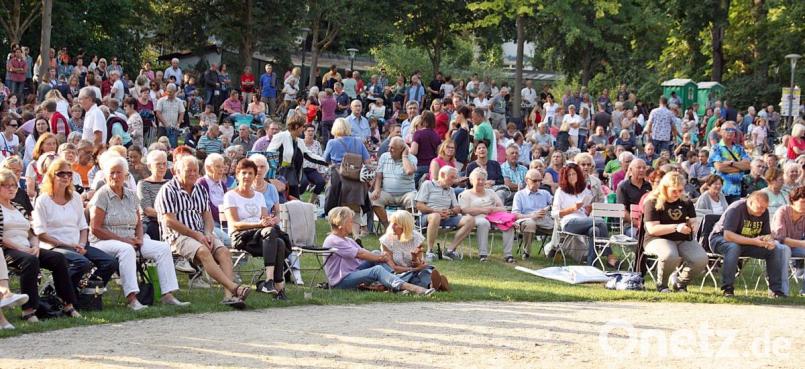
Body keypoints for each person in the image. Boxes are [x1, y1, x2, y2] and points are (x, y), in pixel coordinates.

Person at [89, 155, 188, 310]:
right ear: (106, 175)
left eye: (119, 172)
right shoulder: (101, 195)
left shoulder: (131, 195)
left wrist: (140, 238)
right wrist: (123, 240)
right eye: (111, 173)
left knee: (162, 248)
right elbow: (96, 228)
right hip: (104, 241)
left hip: (132, 238)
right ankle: (132, 299)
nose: (115, 176)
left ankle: (167, 295)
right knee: (127, 250)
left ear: (126, 175)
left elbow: (139, 223)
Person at [155, 156, 251, 308]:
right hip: (178, 237)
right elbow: (169, 221)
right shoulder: (167, 190)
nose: (193, 174)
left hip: (201, 234)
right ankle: (234, 288)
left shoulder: (199, 189)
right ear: (176, 171)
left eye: (195, 170)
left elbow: (207, 216)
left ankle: (229, 297)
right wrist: (196, 235)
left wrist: (207, 233)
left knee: (224, 253)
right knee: (203, 251)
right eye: (189, 171)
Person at [0, 168, 80, 322]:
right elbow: (1, 237)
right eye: (6, 185)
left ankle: (68, 305)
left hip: (28, 247)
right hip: (7, 251)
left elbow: (32, 233)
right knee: (30, 261)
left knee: (58, 258)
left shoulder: (19, 208)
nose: (11, 188)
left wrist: (35, 246)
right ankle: (29, 310)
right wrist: (22, 248)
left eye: (13, 185)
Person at [33, 158, 117, 290]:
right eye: (61, 173)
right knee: (81, 263)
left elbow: (83, 227)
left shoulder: (75, 197)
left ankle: (87, 290)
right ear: (51, 176)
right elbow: (40, 234)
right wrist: (67, 245)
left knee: (110, 262)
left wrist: (82, 245)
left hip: (77, 245)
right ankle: (61, 293)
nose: (66, 177)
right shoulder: (42, 200)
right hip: (54, 247)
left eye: (69, 174)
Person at [323, 206, 435, 295]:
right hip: (341, 281)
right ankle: (414, 288)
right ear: (341, 224)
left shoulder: (347, 240)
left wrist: (379, 256)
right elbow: (361, 254)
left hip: (352, 272)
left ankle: (399, 281)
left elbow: (365, 252)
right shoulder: (334, 240)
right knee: (376, 269)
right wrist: (382, 257)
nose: (352, 224)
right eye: (350, 222)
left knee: (376, 253)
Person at [223, 159, 289, 299]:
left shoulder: (259, 196)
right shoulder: (230, 195)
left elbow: (264, 219)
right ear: (237, 175)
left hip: (261, 237)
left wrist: (268, 220)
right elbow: (235, 223)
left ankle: (271, 283)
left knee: (279, 242)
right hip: (241, 236)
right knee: (272, 234)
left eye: (250, 173)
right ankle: (275, 284)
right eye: (244, 173)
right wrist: (260, 225)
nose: (247, 176)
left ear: (254, 176)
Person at [709, 191, 786, 297]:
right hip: (720, 239)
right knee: (733, 247)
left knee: (774, 249)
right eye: (760, 207)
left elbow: (766, 234)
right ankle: (728, 288)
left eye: (765, 208)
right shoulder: (737, 208)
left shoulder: (764, 212)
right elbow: (728, 235)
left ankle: (776, 290)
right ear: (750, 203)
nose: (763, 211)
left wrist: (769, 241)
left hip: (747, 242)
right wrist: (754, 241)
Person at [642, 172, 707, 292]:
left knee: (701, 259)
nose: (678, 194)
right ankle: (662, 285)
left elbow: (693, 220)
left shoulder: (686, 202)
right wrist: (676, 227)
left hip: (682, 239)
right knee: (670, 254)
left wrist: (694, 225)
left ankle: (681, 283)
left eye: (680, 190)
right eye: (674, 191)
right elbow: (652, 229)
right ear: (665, 188)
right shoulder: (652, 202)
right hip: (656, 239)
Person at [553, 163, 614, 267]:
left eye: (574, 174)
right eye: (569, 175)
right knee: (600, 221)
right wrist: (572, 208)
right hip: (569, 223)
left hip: (584, 221)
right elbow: (554, 213)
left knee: (595, 230)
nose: (572, 177)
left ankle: (591, 264)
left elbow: (586, 211)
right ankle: (609, 255)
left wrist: (589, 209)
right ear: (565, 177)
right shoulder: (560, 192)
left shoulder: (584, 190)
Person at [416, 166, 475, 261]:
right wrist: (436, 211)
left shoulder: (451, 190)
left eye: (455, 178)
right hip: (427, 217)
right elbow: (419, 205)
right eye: (452, 177)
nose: (454, 180)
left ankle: (450, 250)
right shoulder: (428, 184)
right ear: (442, 175)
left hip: (446, 217)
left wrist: (450, 211)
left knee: (470, 220)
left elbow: (457, 208)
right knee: (436, 216)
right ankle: (430, 252)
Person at [379, 210, 448, 290]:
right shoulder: (386, 241)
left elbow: (419, 264)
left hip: (414, 270)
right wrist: (414, 269)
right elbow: (393, 268)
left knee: (424, 271)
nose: (392, 226)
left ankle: (433, 285)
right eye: (392, 223)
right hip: (398, 273)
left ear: (405, 226)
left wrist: (415, 259)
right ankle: (434, 285)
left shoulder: (416, 237)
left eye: (396, 224)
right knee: (408, 278)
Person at [458, 168, 515, 262]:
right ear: (472, 181)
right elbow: (464, 210)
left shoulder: (491, 192)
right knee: (484, 223)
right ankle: (483, 254)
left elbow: (502, 208)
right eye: (478, 179)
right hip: (475, 218)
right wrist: (483, 210)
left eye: (483, 179)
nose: (481, 182)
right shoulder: (466, 194)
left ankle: (508, 255)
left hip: (493, 217)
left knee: (509, 224)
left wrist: (491, 210)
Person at [267, 115, 327, 199]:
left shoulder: (299, 141)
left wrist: (325, 162)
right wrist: (271, 177)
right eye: (302, 127)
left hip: (292, 175)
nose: (303, 129)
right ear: (296, 126)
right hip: (279, 175)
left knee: (295, 202)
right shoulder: (280, 136)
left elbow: (309, 155)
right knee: (280, 201)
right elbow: (269, 154)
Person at [371, 137, 417, 228]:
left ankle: (404, 227)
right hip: (388, 193)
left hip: (406, 193)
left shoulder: (412, 158)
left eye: (393, 148)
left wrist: (404, 156)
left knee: (413, 199)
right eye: (389, 147)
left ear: (401, 149)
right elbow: (379, 175)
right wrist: (376, 189)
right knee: (374, 199)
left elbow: (409, 171)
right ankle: (387, 227)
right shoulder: (384, 157)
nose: (389, 150)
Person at [512, 169, 553, 259]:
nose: (538, 183)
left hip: (543, 221)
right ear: (527, 180)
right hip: (526, 221)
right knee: (530, 223)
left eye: (540, 181)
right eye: (534, 181)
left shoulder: (545, 193)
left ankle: (553, 250)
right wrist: (532, 215)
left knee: (560, 225)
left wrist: (547, 208)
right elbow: (515, 214)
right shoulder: (519, 195)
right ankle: (526, 252)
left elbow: (555, 203)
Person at [772, 186, 805, 297]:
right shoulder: (782, 211)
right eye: (803, 202)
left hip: (795, 246)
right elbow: (780, 238)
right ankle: (781, 291)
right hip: (776, 245)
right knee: (784, 249)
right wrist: (802, 243)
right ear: (793, 201)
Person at [708, 121, 750, 203]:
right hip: (720, 191)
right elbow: (719, 167)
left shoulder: (739, 148)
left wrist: (731, 163)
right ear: (720, 132)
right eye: (727, 129)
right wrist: (740, 168)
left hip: (737, 190)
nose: (730, 132)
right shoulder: (716, 148)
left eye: (732, 130)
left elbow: (747, 166)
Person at [410, 111, 441, 184]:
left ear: (423, 120)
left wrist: (407, 149)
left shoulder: (418, 133)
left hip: (420, 165)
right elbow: (439, 152)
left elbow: (414, 151)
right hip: (432, 166)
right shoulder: (436, 135)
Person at [155, 83, 185, 148]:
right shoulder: (161, 100)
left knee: (173, 147)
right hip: (162, 127)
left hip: (174, 128)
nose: (168, 93)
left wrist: (178, 124)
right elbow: (158, 113)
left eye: (170, 92)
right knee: (160, 147)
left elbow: (182, 113)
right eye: (167, 91)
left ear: (175, 91)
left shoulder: (179, 101)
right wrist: (166, 124)